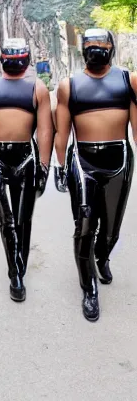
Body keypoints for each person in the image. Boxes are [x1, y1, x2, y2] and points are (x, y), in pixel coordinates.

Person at [54, 28, 136, 322]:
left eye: (102, 45)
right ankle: (89, 289)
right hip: (82, 161)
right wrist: (59, 166)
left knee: (111, 229)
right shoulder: (69, 86)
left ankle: (102, 256)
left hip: (119, 160)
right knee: (85, 226)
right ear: (83, 49)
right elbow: (61, 132)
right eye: (91, 45)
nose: (96, 50)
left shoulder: (129, 80)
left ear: (111, 48)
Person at [0, 39, 53, 302]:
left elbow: (44, 129)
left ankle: (21, 263)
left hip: (26, 159)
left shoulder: (38, 89)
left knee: (23, 219)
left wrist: (43, 165)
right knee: (7, 219)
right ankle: (15, 274)